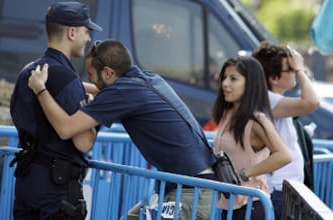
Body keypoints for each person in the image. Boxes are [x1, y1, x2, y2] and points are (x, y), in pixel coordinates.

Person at [28, 39, 218, 219]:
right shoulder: (146, 79)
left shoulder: (123, 92)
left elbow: (66, 128)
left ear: (108, 73)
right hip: (190, 186)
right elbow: (102, 91)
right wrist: (63, 83)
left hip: (191, 191)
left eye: (91, 75)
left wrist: (40, 89)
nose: (90, 80)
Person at [9, 2, 102, 219]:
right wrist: (93, 115)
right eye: (86, 32)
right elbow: (83, 142)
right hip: (57, 191)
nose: (88, 39)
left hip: (28, 181)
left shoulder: (29, 71)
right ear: (72, 32)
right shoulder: (66, 78)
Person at [211, 56, 292, 220]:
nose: (225, 83)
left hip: (251, 205)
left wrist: (245, 174)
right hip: (230, 203)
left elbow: (284, 155)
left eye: (233, 78)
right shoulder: (227, 114)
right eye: (225, 77)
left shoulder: (257, 120)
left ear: (250, 84)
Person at [252, 42, 320, 220]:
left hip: (286, 190)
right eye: (290, 69)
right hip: (279, 190)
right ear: (274, 78)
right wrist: (300, 69)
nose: (294, 73)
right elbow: (311, 102)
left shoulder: (272, 99)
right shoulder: (267, 100)